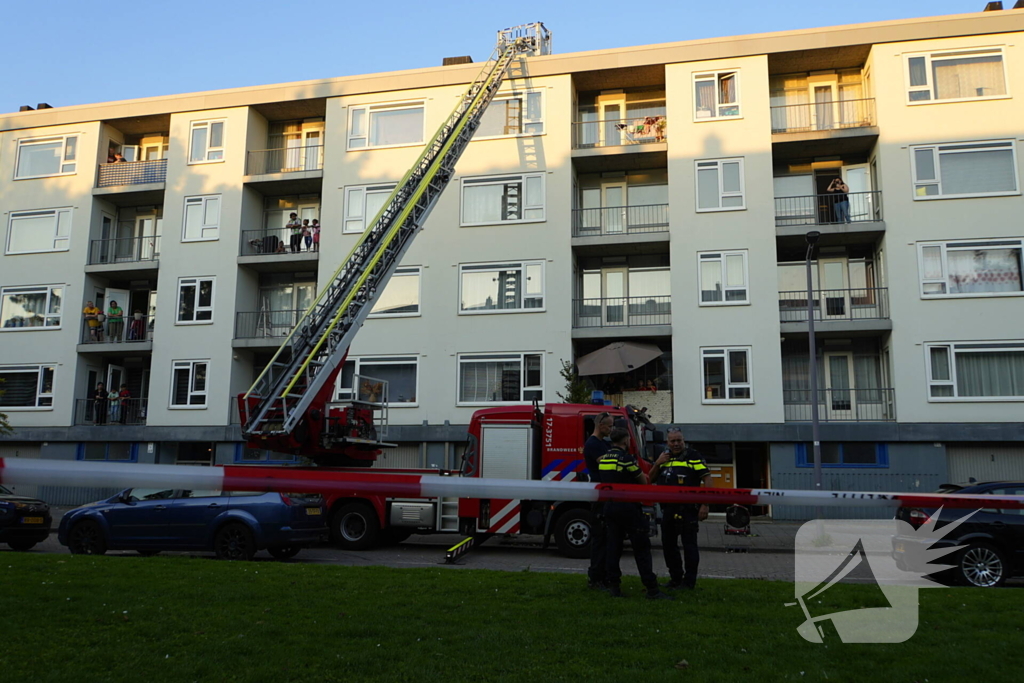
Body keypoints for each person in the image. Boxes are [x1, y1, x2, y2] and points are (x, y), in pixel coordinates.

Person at [598, 427, 672, 600]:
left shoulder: (604, 459)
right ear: (626, 440)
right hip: (629, 508)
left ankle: (614, 587)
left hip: (610, 507)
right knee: (641, 548)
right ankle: (652, 589)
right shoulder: (627, 459)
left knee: (613, 548)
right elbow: (643, 481)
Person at [649, 429, 710, 590]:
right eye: (673, 441)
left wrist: (705, 504)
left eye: (679, 440)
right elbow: (650, 479)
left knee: (689, 547)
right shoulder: (664, 457)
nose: (676, 444)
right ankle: (675, 579)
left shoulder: (693, 456)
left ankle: (689, 582)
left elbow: (707, 478)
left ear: (684, 440)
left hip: (688, 509)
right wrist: (657, 463)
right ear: (667, 443)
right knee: (668, 546)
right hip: (668, 509)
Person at [583, 412, 614, 589]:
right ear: (600, 425)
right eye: (609, 426)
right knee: (599, 538)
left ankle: (603, 576)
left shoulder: (603, 443)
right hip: (599, 496)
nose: (611, 429)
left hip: (605, 495)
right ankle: (595, 578)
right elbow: (607, 463)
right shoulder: (593, 444)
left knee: (605, 538)